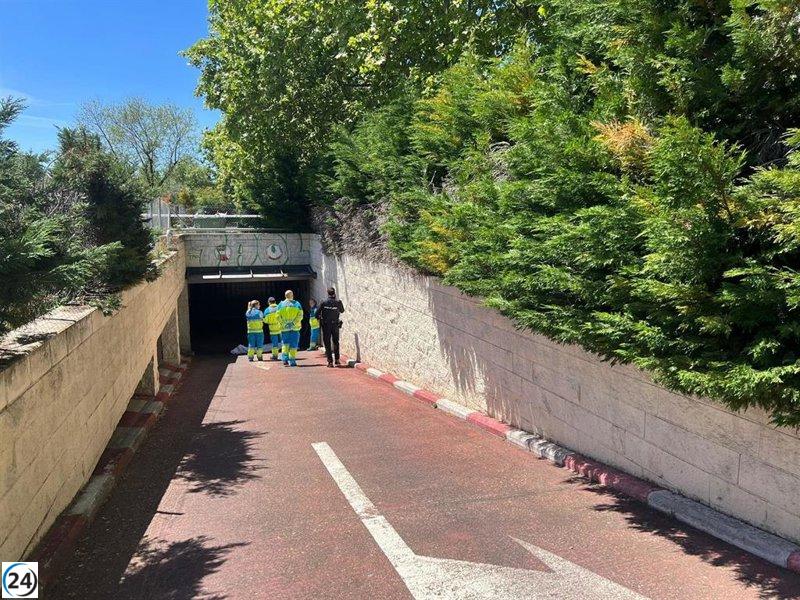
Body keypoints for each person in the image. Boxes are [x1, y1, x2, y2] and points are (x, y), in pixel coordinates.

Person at [318, 287, 345, 367]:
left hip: (326, 325)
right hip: (335, 324)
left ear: (328, 293)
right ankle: (337, 360)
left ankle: (330, 362)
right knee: (336, 342)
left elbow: (317, 313)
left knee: (327, 343)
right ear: (334, 293)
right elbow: (342, 310)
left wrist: (320, 318)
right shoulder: (338, 302)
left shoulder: (324, 302)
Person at [277, 289, 303, 367]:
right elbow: (300, 315)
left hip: (284, 329)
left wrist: (285, 324)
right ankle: (292, 361)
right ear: (292, 295)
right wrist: (293, 323)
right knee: (293, 345)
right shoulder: (297, 304)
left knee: (285, 344)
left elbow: (278, 317)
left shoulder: (280, 305)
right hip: (294, 328)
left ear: (285, 296)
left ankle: (284, 359)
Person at [262, 297, 283, 361]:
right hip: (281, 328)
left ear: (269, 302)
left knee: (275, 344)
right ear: (275, 302)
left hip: (272, 330)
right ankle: (286, 355)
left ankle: (275, 356)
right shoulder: (280, 308)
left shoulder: (267, 310)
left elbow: (265, 321)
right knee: (284, 342)